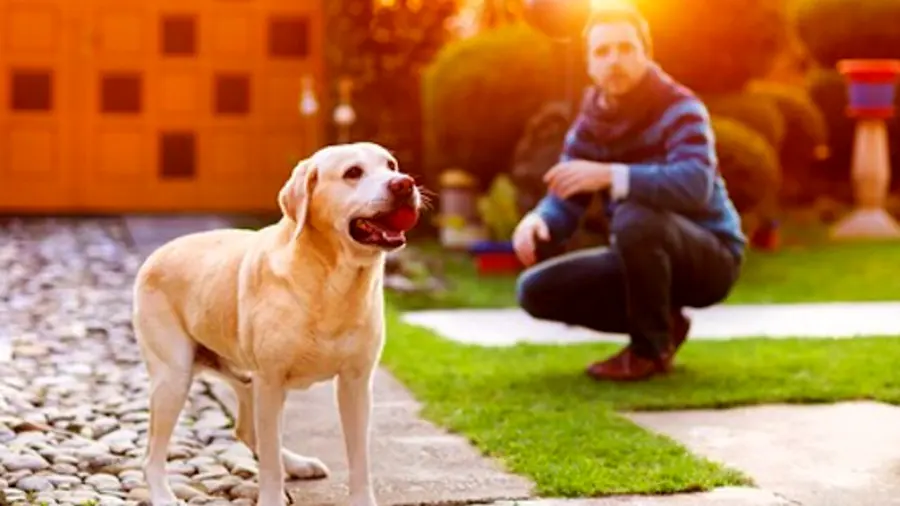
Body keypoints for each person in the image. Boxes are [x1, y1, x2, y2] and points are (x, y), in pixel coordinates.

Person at [512, 6, 746, 382]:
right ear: (589, 62)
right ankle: (664, 324)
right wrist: (539, 220)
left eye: (625, 48)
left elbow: (695, 184)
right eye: (602, 52)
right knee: (535, 290)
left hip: (710, 257)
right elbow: (567, 192)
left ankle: (648, 350)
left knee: (635, 216)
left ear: (646, 53)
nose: (614, 60)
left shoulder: (680, 107)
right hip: (639, 250)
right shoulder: (590, 122)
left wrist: (609, 175)